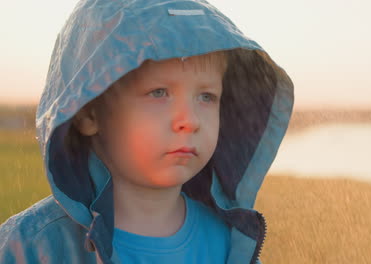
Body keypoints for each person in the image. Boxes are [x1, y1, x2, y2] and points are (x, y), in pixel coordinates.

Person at [0, 0, 294, 263]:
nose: (189, 121)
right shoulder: (33, 246)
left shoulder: (227, 242)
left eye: (206, 97)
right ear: (89, 113)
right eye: (159, 93)